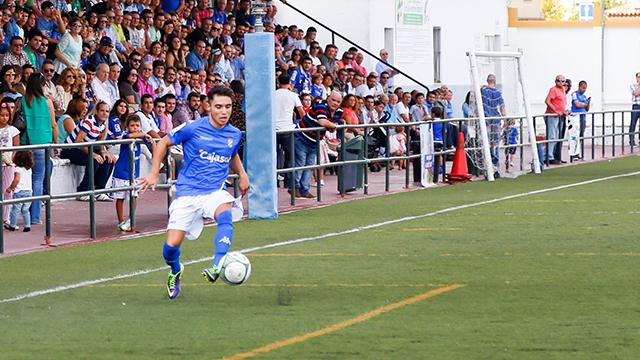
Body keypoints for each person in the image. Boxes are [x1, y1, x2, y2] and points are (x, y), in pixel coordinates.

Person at [139, 86, 249, 300]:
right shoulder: (192, 127)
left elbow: (231, 154)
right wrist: (153, 173)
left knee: (225, 215)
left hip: (215, 191)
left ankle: (218, 263)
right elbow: (163, 143)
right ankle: (175, 270)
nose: (224, 112)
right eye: (218, 107)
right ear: (208, 106)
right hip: (187, 193)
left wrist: (242, 174)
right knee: (170, 248)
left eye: (228, 107)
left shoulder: (234, 134)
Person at [19, 73, 57, 224]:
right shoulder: (47, 102)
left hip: (26, 143)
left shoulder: (22, 100)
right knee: (37, 181)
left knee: (25, 180)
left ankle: (21, 213)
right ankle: (34, 217)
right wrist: (56, 143)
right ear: (41, 86)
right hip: (43, 143)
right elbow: (54, 124)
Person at [60, 101, 116, 201]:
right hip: (70, 149)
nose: (104, 113)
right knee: (93, 161)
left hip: (84, 148)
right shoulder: (89, 121)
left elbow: (100, 141)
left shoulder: (103, 124)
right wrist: (93, 154)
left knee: (107, 159)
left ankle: (99, 190)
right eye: (102, 110)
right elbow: (78, 142)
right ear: (97, 112)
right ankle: (83, 191)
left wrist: (103, 151)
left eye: (107, 111)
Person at [294, 90, 342, 199]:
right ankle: (294, 188)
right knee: (300, 164)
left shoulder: (339, 111)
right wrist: (331, 125)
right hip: (301, 137)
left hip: (314, 140)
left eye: (338, 101)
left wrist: (331, 125)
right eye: (333, 100)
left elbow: (331, 126)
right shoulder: (321, 106)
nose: (335, 103)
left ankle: (304, 190)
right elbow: (323, 122)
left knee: (310, 166)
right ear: (328, 99)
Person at [111, 115, 155, 232]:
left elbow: (152, 143)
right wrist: (143, 134)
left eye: (137, 126)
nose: (135, 128)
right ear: (127, 126)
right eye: (132, 126)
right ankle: (120, 221)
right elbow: (131, 135)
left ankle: (131, 219)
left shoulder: (142, 138)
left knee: (134, 196)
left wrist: (152, 142)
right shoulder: (126, 136)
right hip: (122, 172)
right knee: (120, 198)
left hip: (134, 173)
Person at [480, 74, 506, 175]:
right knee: (495, 143)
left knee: (486, 142)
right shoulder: (497, 92)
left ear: (487, 81)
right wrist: (504, 119)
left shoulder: (483, 91)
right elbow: (502, 106)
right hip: (495, 119)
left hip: (486, 119)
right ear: (494, 82)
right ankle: (496, 167)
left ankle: (488, 165)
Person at [4, 150, 33, 232]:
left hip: (19, 192)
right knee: (25, 210)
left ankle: (12, 225)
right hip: (29, 191)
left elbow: (16, 180)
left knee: (15, 209)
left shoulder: (18, 169)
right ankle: (27, 225)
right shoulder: (29, 169)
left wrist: (11, 188)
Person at [0, 102, 19, 225]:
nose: (4, 118)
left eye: (7, 115)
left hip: (8, 165)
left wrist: (11, 161)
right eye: (2, 115)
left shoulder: (13, 130)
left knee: (7, 190)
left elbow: (16, 148)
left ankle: (6, 217)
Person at [544, 75, 568, 165]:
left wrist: (563, 111)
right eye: (559, 81)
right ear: (555, 81)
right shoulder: (553, 89)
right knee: (552, 136)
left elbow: (562, 103)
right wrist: (556, 111)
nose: (561, 83)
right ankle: (549, 156)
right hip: (552, 115)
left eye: (563, 81)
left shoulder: (563, 90)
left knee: (557, 137)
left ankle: (548, 155)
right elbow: (547, 101)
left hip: (559, 116)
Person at [571, 80, 590, 154]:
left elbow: (587, 108)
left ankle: (578, 153)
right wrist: (585, 104)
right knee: (575, 136)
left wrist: (588, 103)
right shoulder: (575, 94)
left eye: (585, 88)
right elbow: (577, 105)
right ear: (579, 87)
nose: (584, 90)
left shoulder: (584, 96)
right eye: (583, 88)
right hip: (575, 118)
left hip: (583, 118)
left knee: (581, 136)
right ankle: (573, 153)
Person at [629, 72, 640, 146]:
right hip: (636, 106)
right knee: (633, 123)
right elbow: (636, 93)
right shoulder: (633, 85)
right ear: (636, 78)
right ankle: (631, 141)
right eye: (639, 77)